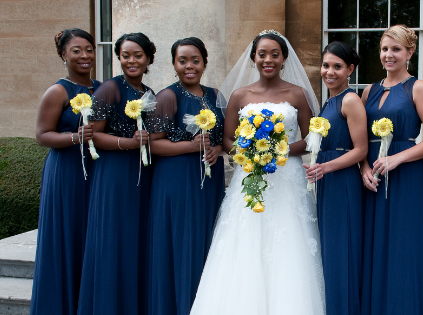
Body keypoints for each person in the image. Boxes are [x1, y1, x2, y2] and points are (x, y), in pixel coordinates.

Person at [189, 30, 325, 315]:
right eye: (262, 54)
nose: (268, 59)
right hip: (248, 176)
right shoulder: (240, 95)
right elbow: (227, 141)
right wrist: (249, 152)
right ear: (253, 58)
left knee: (288, 244)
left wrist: (280, 151)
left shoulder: (297, 94)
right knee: (245, 241)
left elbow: (311, 139)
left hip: (287, 180)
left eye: (275, 54)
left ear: (284, 58)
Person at [359, 25, 423, 314]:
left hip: (407, 178)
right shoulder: (369, 90)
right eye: (384, 49)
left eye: (396, 49)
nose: (388, 55)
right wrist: (363, 166)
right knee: (374, 245)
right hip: (372, 178)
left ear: (410, 52)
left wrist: (398, 158)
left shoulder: (418, 87)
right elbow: (357, 137)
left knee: (404, 246)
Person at [77, 32, 156, 315]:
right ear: (119, 58)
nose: (131, 61)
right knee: (113, 240)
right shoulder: (110, 89)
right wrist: (128, 143)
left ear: (148, 59)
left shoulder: (149, 94)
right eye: (126, 56)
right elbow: (93, 136)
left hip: (142, 177)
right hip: (113, 175)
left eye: (138, 55)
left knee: (135, 242)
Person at [147, 37, 225, 314]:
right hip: (177, 179)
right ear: (174, 64)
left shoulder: (216, 95)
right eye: (182, 61)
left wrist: (216, 149)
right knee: (183, 243)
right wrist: (190, 146)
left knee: (207, 242)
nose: (189, 66)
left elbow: (223, 139)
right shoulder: (167, 96)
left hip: (210, 178)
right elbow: (152, 143)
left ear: (204, 62)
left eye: (195, 60)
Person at [32, 28, 101, 315]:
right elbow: (42, 135)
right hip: (67, 173)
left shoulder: (101, 88)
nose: (85, 56)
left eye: (88, 49)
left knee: (91, 236)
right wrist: (76, 137)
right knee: (68, 237)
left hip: (97, 172)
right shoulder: (58, 91)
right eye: (77, 50)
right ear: (63, 55)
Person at [304, 41, 368, 315]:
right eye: (326, 65)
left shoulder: (350, 100)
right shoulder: (329, 101)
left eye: (337, 66)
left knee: (342, 249)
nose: (330, 71)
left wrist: (326, 168)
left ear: (350, 69)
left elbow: (361, 149)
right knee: (330, 249)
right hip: (327, 182)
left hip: (343, 183)